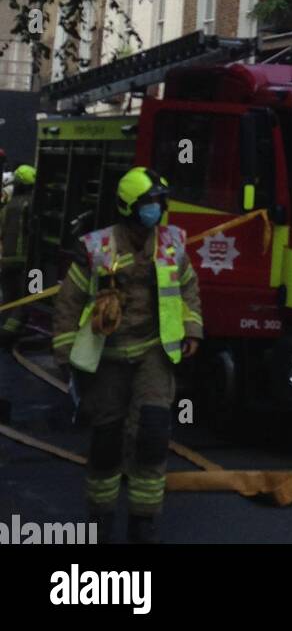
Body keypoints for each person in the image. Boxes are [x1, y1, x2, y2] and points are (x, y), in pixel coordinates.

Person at [52, 167, 203, 544]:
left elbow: (188, 290)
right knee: (107, 440)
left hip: (155, 351)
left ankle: (143, 521)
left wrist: (192, 328)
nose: (159, 210)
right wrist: (65, 350)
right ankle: (101, 517)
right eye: (152, 203)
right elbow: (68, 302)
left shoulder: (170, 244)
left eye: (160, 202)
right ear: (131, 207)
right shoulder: (98, 248)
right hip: (107, 357)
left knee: (152, 435)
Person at [0, 164, 35, 345]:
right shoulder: (31, 204)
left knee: (8, 298)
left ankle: (4, 328)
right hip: (24, 262)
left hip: (6, 260)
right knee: (27, 296)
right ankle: (9, 332)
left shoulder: (8, 205)